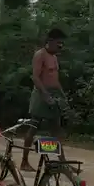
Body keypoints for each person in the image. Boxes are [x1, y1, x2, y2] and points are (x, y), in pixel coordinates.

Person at [20, 28, 70, 172]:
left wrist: (62, 95)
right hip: (41, 94)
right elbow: (35, 77)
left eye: (62, 43)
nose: (60, 46)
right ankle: (24, 161)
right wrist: (45, 95)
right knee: (33, 127)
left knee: (56, 129)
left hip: (54, 94)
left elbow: (55, 79)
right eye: (58, 43)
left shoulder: (54, 57)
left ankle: (63, 163)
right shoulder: (40, 55)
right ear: (50, 41)